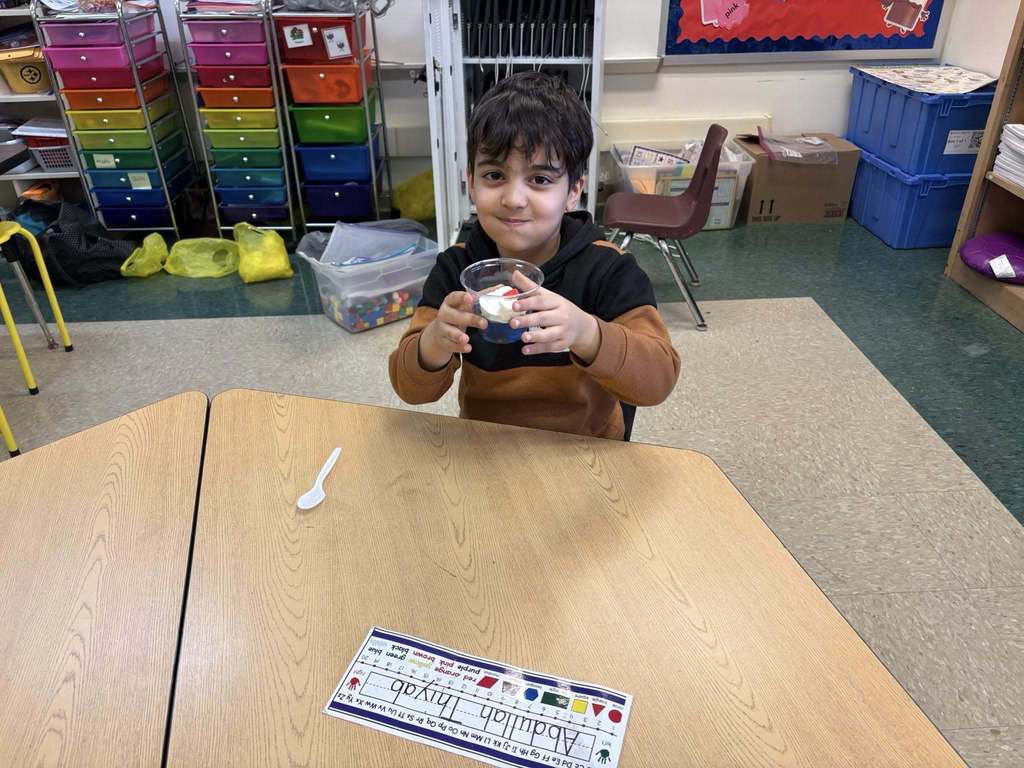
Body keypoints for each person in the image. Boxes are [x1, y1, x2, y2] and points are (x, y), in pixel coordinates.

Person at [388, 72, 680, 440]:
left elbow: (658, 381)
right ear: (471, 182)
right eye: (494, 175)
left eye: (540, 180)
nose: (513, 199)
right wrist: (434, 343)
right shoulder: (456, 269)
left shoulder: (608, 269)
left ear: (573, 191)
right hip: (488, 447)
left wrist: (586, 332)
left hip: (586, 449)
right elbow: (410, 389)